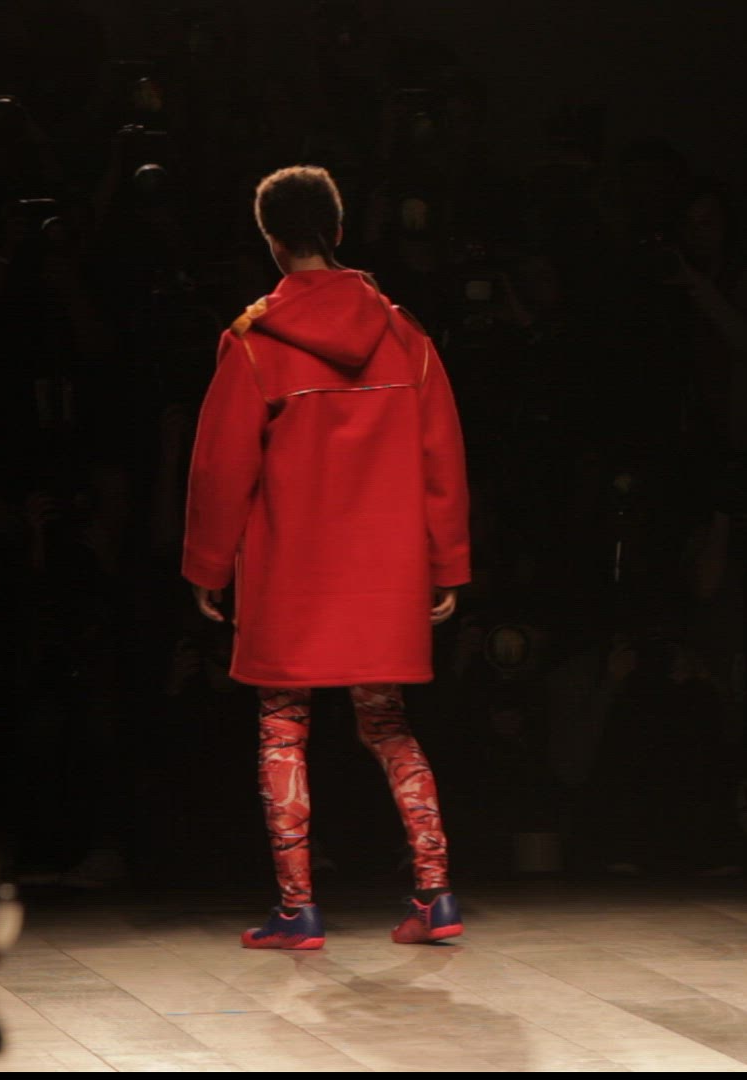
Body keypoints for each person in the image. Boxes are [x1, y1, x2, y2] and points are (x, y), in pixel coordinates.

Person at [182, 165, 470, 949]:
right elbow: (443, 459)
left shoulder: (254, 343)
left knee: (284, 728)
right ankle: (436, 894)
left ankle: (297, 909)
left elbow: (221, 468)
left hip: (292, 575)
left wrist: (208, 566)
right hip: (385, 573)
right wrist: (446, 562)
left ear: (272, 242)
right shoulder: (405, 336)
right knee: (388, 724)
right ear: (339, 232)